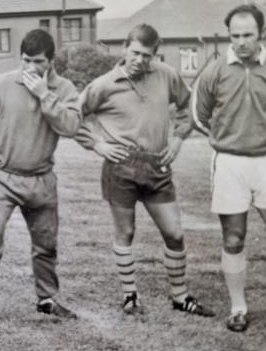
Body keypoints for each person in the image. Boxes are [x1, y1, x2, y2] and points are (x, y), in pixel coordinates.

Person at [75, 24, 213, 318]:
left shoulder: (166, 75)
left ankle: (180, 297)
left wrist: (177, 138)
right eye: (135, 53)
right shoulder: (103, 84)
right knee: (126, 232)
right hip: (120, 167)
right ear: (125, 49)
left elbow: (191, 106)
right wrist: (97, 144)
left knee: (174, 233)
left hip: (157, 165)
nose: (140, 60)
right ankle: (130, 296)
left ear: (155, 56)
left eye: (147, 56)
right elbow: (73, 115)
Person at [0, 28, 82, 331]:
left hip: (41, 180)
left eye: (37, 61)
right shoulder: (1, 84)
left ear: (50, 62)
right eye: (25, 60)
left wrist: (44, 95)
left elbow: (72, 125)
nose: (30, 68)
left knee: (46, 245)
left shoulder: (63, 90)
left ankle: (47, 299)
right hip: (2, 178)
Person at [191, 4, 266, 334]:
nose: (241, 42)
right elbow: (199, 115)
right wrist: (226, 138)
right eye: (235, 35)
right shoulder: (215, 71)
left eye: (248, 35)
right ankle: (238, 308)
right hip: (229, 163)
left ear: (262, 34)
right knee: (234, 239)